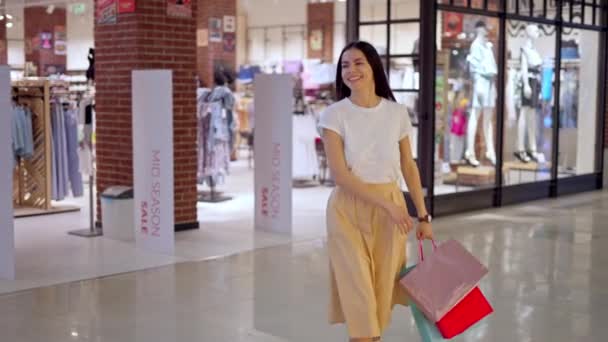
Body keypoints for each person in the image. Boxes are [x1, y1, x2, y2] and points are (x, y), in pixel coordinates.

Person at [319, 41, 434, 342]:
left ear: (373, 68)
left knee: (381, 297)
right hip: (348, 210)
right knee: (359, 299)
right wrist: (388, 206)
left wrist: (423, 216)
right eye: (344, 65)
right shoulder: (334, 115)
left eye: (358, 63)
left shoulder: (396, 113)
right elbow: (340, 175)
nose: (351, 70)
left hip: (390, 211)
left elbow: (409, 166)